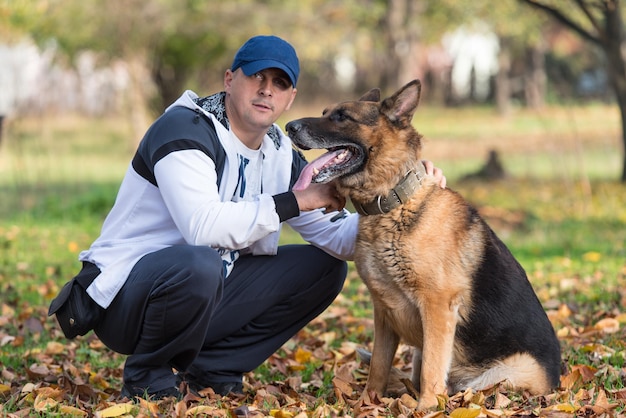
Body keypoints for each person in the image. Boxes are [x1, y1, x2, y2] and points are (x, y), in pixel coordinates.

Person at [49, 35, 446, 399]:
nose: (266, 90)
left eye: (280, 83)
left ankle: (213, 369)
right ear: (228, 80)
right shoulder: (184, 129)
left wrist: (406, 197)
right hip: (125, 299)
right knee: (199, 262)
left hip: (205, 294)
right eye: (256, 76)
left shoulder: (278, 153)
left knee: (323, 268)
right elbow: (202, 228)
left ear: (290, 98)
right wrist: (296, 201)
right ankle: (146, 377)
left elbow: (342, 241)